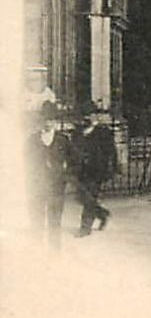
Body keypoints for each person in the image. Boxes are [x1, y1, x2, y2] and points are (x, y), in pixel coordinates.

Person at [33, 105, 74, 248]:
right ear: (40, 120)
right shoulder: (32, 140)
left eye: (50, 119)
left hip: (56, 185)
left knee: (55, 218)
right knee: (37, 218)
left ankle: (55, 250)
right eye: (45, 119)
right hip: (38, 185)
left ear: (55, 121)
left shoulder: (62, 139)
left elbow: (72, 160)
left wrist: (65, 174)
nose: (47, 123)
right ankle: (36, 249)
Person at [75, 105, 117, 235]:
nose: (88, 117)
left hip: (96, 170)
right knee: (81, 197)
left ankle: (85, 227)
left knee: (90, 196)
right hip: (81, 169)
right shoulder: (79, 131)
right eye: (86, 115)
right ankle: (102, 214)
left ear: (96, 116)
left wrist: (112, 168)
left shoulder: (103, 131)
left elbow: (111, 152)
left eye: (91, 114)